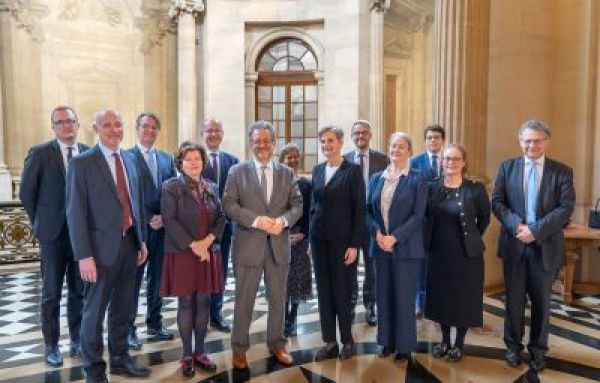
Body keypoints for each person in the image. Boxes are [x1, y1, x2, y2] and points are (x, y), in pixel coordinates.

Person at [66, 109, 150, 383]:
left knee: (124, 308)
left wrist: (142, 240)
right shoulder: (82, 163)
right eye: (107, 125)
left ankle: (120, 358)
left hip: (130, 245)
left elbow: (134, 201)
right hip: (98, 251)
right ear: (95, 127)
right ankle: (94, 369)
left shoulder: (128, 158)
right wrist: (84, 256)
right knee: (94, 312)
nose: (114, 130)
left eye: (118, 124)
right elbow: (75, 212)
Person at [492, 120, 575, 372]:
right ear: (520, 142)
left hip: (545, 247)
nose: (532, 145)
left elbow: (565, 208)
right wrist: (518, 226)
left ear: (546, 142)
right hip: (514, 244)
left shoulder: (562, 171)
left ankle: (538, 350)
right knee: (514, 302)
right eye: (527, 140)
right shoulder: (507, 168)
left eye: (537, 140)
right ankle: (513, 347)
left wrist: (535, 231)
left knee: (542, 303)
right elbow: (497, 202)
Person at [222, 120, 303, 370]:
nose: (262, 145)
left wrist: (283, 221)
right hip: (248, 246)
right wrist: (256, 220)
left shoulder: (287, 173)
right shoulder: (238, 172)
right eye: (257, 141)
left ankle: (277, 344)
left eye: (266, 140)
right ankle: (239, 348)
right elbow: (228, 205)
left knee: (278, 299)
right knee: (243, 300)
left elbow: (297, 206)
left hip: (278, 246)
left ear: (274, 142)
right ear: (251, 143)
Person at [19, 106, 89, 367]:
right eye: (60, 122)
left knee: (79, 292)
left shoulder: (88, 153)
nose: (66, 126)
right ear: (53, 127)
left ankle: (77, 341)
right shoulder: (40, 154)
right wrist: (41, 223)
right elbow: (27, 193)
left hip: (81, 237)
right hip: (52, 236)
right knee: (51, 293)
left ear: (78, 124)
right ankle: (51, 346)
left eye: (70, 121)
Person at [160, 143, 226, 377]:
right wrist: (194, 246)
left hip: (208, 252)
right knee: (186, 302)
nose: (193, 162)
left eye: (197, 158)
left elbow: (221, 218)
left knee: (204, 301)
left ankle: (201, 351)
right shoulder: (171, 187)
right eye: (188, 159)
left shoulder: (212, 187)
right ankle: (187, 354)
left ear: (203, 161)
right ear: (180, 163)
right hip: (182, 253)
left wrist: (207, 242)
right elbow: (170, 220)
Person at [425, 144, 491, 362]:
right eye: (446, 159)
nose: (450, 163)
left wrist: (471, 237)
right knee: (442, 297)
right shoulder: (432, 187)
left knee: (463, 298)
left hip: (466, 255)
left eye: (455, 159)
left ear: (463, 162)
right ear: (441, 162)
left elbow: (484, 219)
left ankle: (459, 344)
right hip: (438, 254)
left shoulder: (475, 189)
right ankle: (444, 340)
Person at [365, 132, 427, 362]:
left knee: (403, 297)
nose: (396, 150)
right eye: (393, 146)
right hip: (380, 246)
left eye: (401, 147)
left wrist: (395, 237)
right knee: (384, 296)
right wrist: (378, 234)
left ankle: (404, 345)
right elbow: (367, 211)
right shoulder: (375, 179)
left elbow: (418, 214)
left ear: (409, 151)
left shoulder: (417, 178)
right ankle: (386, 342)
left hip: (406, 248)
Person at [310, 126, 365, 361]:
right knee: (324, 291)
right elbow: (314, 206)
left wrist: (354, 245)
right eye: (322, 142)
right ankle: (330, 341)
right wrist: (311, 241)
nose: (326, 145)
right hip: (319, 240)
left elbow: (359, 210)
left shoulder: (352, 171)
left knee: (343, 291)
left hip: (343, 243)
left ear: (341, 143)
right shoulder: (317, 170)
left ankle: (347, 340)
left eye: (330, 141)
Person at [126, 113, 177, 350]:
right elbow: (126, 197)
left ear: (158, 131)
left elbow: (173, 193)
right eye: (145, 126)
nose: (149, 130)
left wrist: (165, 218)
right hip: (136, 231)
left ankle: (155, 322)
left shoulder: (167, 159)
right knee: (132, 282)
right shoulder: (126, 158)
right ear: (137, 129)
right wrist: (146, 220)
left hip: (162, 229)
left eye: (154, 127)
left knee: (157, 278)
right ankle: (128, 329)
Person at [343, 120, 388, 326]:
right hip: (349, 224)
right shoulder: (343, 160)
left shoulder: (383, 159)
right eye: (356, 133)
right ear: (352, 137)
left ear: (370, 135)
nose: (360, 136)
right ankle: (350, 304)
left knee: (372, 268)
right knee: (349, 266)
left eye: (364, 133)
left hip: (372, 223)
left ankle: (370, 305)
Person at [200, 118, 239, 333]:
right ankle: (201, 316)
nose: (213, 134)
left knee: (221, 272)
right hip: (201, 231)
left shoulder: (232, 160)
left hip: (225, 228)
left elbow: (236, 196)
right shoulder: (195, 159)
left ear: (222, 134)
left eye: (216, 130)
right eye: (209, 131)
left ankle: (216, 314)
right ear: (202, 134)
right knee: (202, 273)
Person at [410, 124, 446, 316]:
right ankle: (420, 302)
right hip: (421, 221)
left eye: (437, 137)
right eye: (430, 137)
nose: (433, 140)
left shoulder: (449, 161)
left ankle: (439, 300)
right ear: (425, 141)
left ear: (442, 140)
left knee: (440, 263)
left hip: (444, 222)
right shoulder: (415, 162)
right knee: (421, 263)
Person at [278, 143, 312, 337]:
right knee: (282, 280)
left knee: (298, 280)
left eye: (295, 157)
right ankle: (282, 320)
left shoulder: (307, 184)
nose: (291, 160)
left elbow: (310, 212)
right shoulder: (276, 184)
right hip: (281, 237)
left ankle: (293, 317)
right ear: (281, 160)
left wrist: (304, 234)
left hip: (301, 238)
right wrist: (282, 233)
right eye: (287, 157)